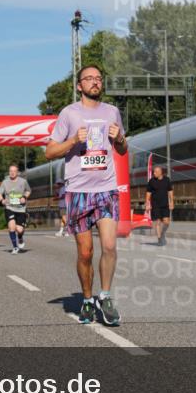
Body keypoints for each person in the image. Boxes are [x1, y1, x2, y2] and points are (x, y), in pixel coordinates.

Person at [45, 65, 126, 326]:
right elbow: (49, 152)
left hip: (106, 189)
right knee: (85, 253)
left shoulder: (112, 112)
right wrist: (72, 142)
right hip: (79, 192)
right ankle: (88, 300)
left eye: (98, 79)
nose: (94, 82)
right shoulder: (69, 114)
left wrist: (120, 138)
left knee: (110, 246)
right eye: (89, 79)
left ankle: (106, 296)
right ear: (79, 85)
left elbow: (122, 150)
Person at [0, 163, 32, 254]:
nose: (12, 173)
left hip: (20, 209)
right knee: (11, 227)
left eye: (14, 171)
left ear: (17, 172)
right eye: (11, 171)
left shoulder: (23, 181)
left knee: (20, 229)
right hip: (9, 207)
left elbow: (28, 191)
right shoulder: (5, 182)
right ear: (9, 172)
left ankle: (20, 237)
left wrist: (24, 197)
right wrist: (2, 200)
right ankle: (15, 247)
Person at [146, 165, 174, 245]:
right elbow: (148, 193)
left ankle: (162, 234)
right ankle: (159, 239)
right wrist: (147, 204)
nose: (154, 173)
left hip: (165, 204)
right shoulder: (151, 181)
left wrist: (171, 202)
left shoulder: (167, 180)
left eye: (156, 172)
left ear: (160, 172)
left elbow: (170, 191)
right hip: (155, 205)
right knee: (157, 222)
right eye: (153, 172)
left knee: (166, 222)